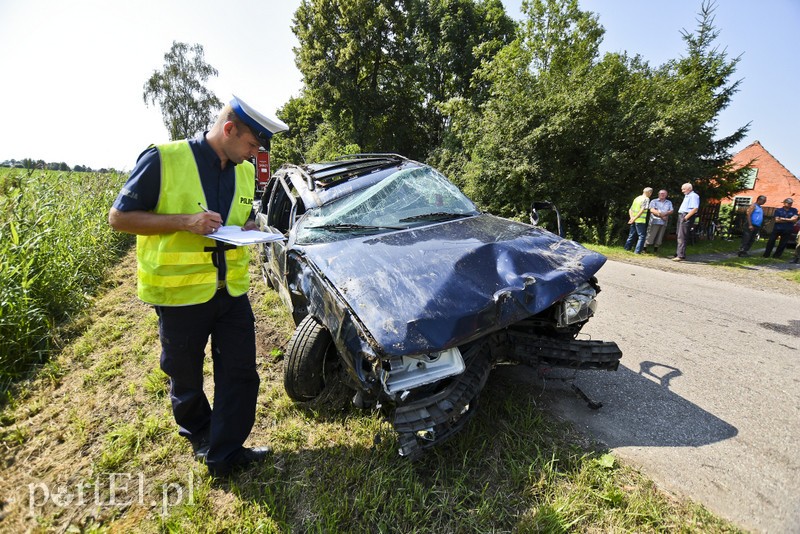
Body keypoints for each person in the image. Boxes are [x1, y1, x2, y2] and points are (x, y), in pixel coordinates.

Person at [108, 96, 288, 477]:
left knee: (240, 374)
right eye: (253, 145)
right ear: (229, 129)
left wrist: (250, 228)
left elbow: (239, 218)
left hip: (231, 293)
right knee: (184, 374)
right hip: (180, 296)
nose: (255, 154)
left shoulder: (241, 171)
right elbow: (120, 218)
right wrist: (185, 222)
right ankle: (198, 430)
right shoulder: (163, 158)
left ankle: (225, 454)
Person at [673, 183, 700, 261]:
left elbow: (695, 208)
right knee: (679, 234)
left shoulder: (694, 196)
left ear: (689, 188)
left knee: (682, 236)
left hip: (686, 216)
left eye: (684, 189)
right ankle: (679, 253)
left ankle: (680, 255)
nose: (682, 191)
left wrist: (685, 218)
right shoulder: (687, 195)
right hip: (682, 215)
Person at [624, 187, 653, 254]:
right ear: (649, 193)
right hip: (640, 220)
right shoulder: (646, 199)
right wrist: (634, 218)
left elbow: (630, 209)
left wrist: (632, 218)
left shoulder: (637, 198)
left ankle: (626, 248)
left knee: (631, 235)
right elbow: (642, 210)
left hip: (633, 219)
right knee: (642, 236)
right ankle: (637, 251)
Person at [644, 189, 673, 254]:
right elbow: (652, 210)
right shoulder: (654, 201)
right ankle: (644, 249)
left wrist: (665, 214)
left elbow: (671, 211)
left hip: (663, 222)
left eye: (664, 193)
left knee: (660, 236)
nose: (662, 194)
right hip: (654, 221)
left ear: (666, 195)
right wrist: (661, 216)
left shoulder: (669, 202)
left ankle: (655, 250)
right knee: (650, 235)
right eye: (661, 193)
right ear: (658, 194)